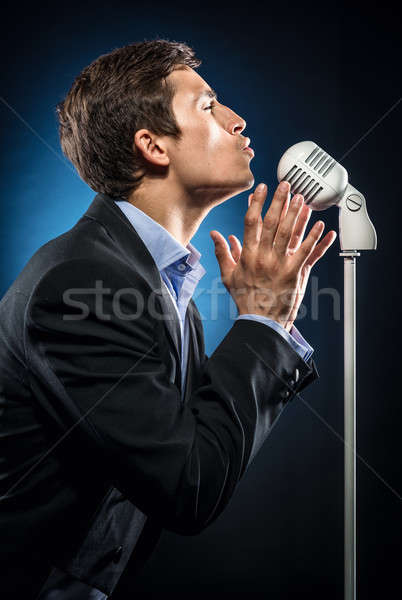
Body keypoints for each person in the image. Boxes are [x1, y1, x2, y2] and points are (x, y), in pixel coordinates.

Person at [0, 39, 336, 598]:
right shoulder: (83, 284)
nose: (237, 119)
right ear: (153, 146)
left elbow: (195, 444)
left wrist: (266, 322)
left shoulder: (151, 282)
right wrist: (261, 323)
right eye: (208, 106)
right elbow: (189, 484)